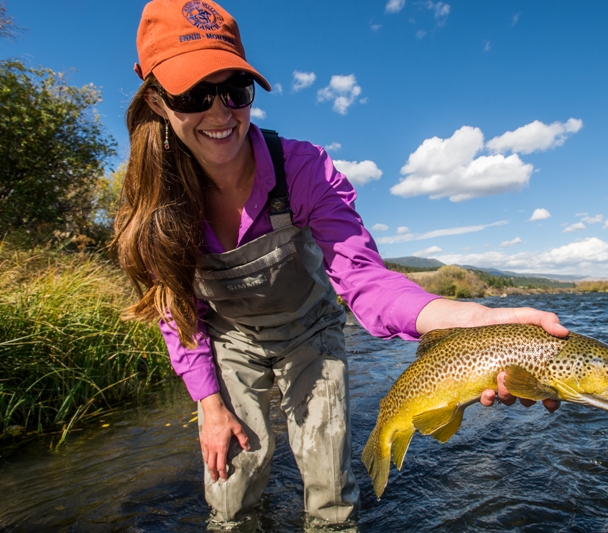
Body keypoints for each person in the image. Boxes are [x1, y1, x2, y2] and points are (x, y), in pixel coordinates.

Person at [113, 0, 566, 529]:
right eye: (193, 94)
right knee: (232, 496)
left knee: (330, 492)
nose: (219, 113)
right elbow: (177, 310)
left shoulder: (302, 169)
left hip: (312, 335)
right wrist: (209, 404)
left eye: (234, 88)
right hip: (229, 343)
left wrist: (467, 318)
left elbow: (365, 282)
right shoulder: (156, 200)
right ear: (158, 102)